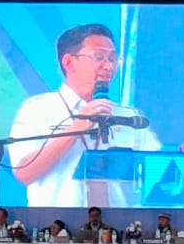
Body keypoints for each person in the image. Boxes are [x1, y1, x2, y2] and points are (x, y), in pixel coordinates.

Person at [8, 22, 158, 207]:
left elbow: (159, 172)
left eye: (113, 58)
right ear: (69, 62)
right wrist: (77, 127)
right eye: (99, 57)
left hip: (119, 229)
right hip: (56, 227)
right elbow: (24, 173)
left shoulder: (129, 117)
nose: (108, 66)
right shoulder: (38, 109)